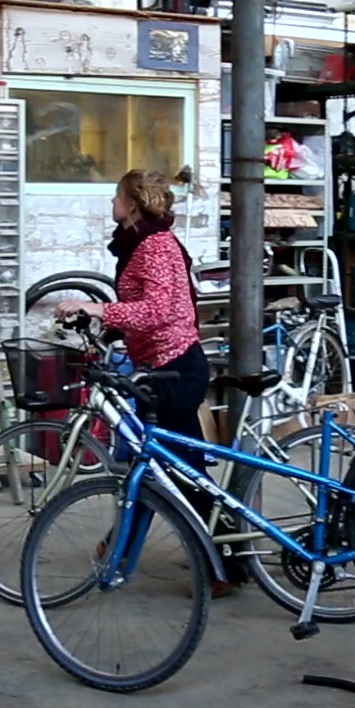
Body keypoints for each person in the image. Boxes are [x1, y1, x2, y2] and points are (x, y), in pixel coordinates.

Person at [53, 170, 236, 591]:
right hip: (158, 367)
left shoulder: (154, 245)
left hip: (175, 368)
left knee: (183, 474)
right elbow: (143, 308)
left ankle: (224, 565)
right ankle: (121, 546)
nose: (111, 202)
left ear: (132, 204)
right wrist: (108, 329)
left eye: (116, 196)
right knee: (152, 468)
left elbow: (157, 310)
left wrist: (99, 309)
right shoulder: (141, 242)